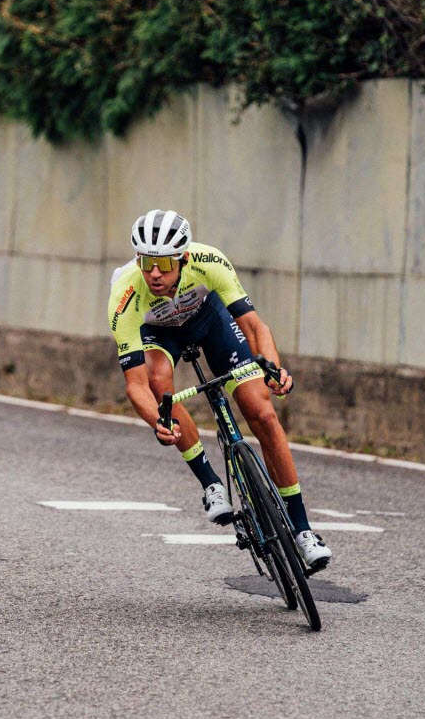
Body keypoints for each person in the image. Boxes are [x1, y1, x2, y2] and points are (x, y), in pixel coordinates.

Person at [107, 209, 331, 573]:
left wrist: (273, 368)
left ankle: (303, 530)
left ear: (183, 257)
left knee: (261, 412)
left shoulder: (209, 261)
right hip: (159, 333)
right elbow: (135, 385)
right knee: (159, 381)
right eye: (146, 262)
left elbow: (255, 326)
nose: (155, 273)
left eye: (164, 263)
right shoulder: (126, 292)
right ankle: (210, 482)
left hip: (209, 319)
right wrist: (156, 422)